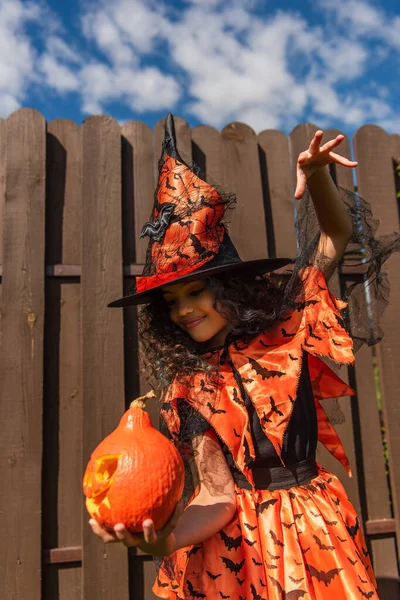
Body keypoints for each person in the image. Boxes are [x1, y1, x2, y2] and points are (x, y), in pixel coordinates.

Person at [89, 114, 399, 599]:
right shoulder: (187, 388)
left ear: (229, 287)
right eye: (170, 302)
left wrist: (316, 175)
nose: (184, 309)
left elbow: (334, 238)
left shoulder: (286, 328)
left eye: (195, 291)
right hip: (235, 555)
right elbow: (217, 494)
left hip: (314, 527)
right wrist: (164, 540)